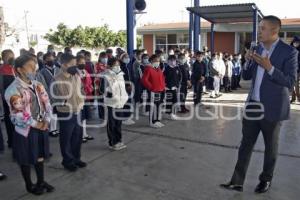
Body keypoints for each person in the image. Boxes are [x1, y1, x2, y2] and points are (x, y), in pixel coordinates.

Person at [220, 15, 298, 194]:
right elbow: (246, 77)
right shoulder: (257, 48)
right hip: (253, 106)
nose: (259, 32)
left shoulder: (289, 52)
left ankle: (266, 179)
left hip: (272, 108)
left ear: (274, 31)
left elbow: (290, 82)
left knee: (271, 146)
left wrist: (269, 68)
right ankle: (237, 181)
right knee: (245, 144)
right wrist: (247, 60)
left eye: (262, 28)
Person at [5, 54, 54, 195]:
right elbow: (17, 114)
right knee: (25, 157)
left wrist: (47, 120)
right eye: (30, 67)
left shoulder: (37, 85)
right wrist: (36, 124)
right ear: (20, 69)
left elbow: (47, 103)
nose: (34, 69)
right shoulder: (13, 90)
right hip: (26, 129)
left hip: (41, 125)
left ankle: (41, 181)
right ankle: (29, 184)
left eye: (35, 66)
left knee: (40, 155)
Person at [52, 53, 87, 172]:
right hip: (66, 112)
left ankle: (76, 158)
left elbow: (81, 89)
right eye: (72, 64)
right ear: (64, 65)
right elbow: (60, 97)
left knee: (77, 136)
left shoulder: (76, 75)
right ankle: (67, 161)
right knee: (66, 138)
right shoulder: (57, 79)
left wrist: (82, 97)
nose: (75, 66)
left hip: (78, 110)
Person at [100, 57, 128, 151]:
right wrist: (110, 94)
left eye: (118, 65)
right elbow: (101, 89)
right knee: (111, 124)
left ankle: (119, 140)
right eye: (115, 65)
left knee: (118, 123)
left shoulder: (121, 74)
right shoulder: (106, 75)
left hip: (120, 103)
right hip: (111, 104)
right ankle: (112, 142)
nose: (117, 66)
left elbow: (122, 88)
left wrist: (124, 96)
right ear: (110, 66)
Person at [37, 52, 61, 137]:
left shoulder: (58, 69)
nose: (51, 60)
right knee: (50, 112)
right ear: (44, 61)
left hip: (58, 94)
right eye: (48, 59)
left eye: (52, 58)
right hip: (48, 95)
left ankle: (55, 128)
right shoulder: (42, 72)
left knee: (56, 112)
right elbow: (42, 84)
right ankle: (52, 129)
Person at [142, 54, 166, 128]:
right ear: (151, 61)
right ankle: (152, 122)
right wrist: (151, 87)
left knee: (158, 106)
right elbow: (144, 80)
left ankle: (157, 120)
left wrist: (163, 88)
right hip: (153, 91)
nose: (157, 62)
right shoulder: (148, 69)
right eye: (156, 61)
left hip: (160, 90)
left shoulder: (158, 69)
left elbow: (162, 79)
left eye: (158, 61)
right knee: (153, 106)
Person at [0, 49, 16, 148]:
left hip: (17, 99)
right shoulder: (2, 70)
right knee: (9, 120)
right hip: (7, 100)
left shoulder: (15, 68)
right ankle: (11, 141)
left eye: (12, 56)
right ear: (4, 58)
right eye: (9, 57)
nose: (11, 58)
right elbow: (1, 87)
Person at [77, 55, 94, 143]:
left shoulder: (85, 71)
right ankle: (80, 135)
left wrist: (89, 88)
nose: (83, 64)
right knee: (80, 117)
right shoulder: (75, 73)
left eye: (84, 63)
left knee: (85, 117)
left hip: (86, 96)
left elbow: (90, 82)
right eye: (80, 63)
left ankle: (84, 133)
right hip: (79, 98)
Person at [120, 53, 135, 125]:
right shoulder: (121, 67)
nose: (128, 58)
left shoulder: (126, 66)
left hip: (128, 86)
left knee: (128, 102)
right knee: (126, 102)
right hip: (125, 87)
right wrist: (127, 85)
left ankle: (127, 117)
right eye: (126, 57)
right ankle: (125, 118)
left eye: (128, 57)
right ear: (122, 58)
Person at [164, 55, 181, 119]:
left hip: (175, 87)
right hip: (169, 88)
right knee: (169, 101)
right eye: (171, 60)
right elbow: (165, 78)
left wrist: (177, 85)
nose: (172, 62)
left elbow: (179, 77)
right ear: (168, 61)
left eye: (174, 60)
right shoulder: (167, 69)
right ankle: (170, 113)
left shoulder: (177, 68)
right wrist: (167, 86)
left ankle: (172, 113)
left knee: (175, 101)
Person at [94, 52, 108, 120]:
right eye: (103, 57)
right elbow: (97, 74)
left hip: (105, 84)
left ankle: (104, 114)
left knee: (104, 99)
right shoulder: (97, 64)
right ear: (100, 58)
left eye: (106, 57)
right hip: (98, 83)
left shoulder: (106, 65)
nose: (105, 59)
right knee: (100, 99)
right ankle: (101, 115)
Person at [290, 36, 300, 103]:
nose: (296, 43)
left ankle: (298, 98)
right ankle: (293, 98)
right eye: (295, 42)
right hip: (291, 69)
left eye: (297, 42)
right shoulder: (290, 49)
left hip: (298, 69)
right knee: (292, 84)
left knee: (296, 84)